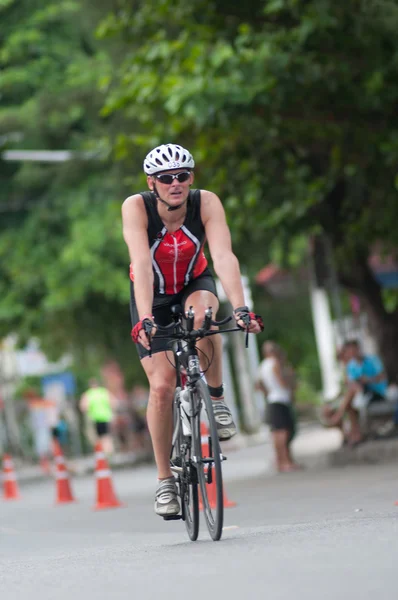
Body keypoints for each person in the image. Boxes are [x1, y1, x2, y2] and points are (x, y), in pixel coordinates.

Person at [122, 143, 263, 517]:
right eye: (166, 178)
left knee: (204, 317)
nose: (175, 183)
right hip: (149, 293)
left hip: (193, 282)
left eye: (182, 175)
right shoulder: (136, 207)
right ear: (151, 182)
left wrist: (242, 307)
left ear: (191, 178)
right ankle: (165, 481)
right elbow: (140, 259)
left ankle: (216, 401)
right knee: (162, 386)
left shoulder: (207, 203)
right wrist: (146, 318)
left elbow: (223, 256)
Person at [324, 340, 388, 446]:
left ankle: (340, 417)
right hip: (359, 394)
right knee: (348, 403)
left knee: (352, 395)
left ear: (358, 349)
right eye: (350, 351)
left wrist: (367, 380)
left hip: (375, 392)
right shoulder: (351, 366)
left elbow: (382, 377)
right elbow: (350, 384)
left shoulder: (372, 360)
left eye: (353, 350)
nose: (352, 353)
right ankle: (354, 434)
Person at [256, 341, 300, 472]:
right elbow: (281, 380)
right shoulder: (275, 363)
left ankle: (280, 461)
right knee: (283, 432)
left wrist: (268, 393)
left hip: (272, 400)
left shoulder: (263, 365)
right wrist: (289, 386)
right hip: (280, 399)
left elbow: (258, 385)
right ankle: (285, 461)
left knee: (276, 432)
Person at [79, 378, 117, 455]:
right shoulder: (103, 392)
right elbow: (114, 402)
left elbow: (83, 407)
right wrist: (112, 411)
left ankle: (101, 451)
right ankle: (109, 452)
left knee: (97, 436)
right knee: (106, 435)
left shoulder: (88, 394)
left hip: (94, 418)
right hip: (106, 416)